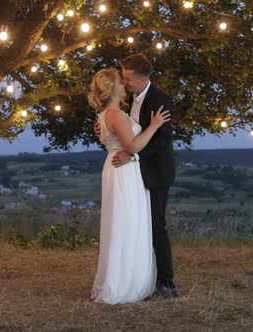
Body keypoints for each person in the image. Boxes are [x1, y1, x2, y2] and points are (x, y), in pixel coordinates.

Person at [95, 53, 178, 299]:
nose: (125, 81)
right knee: (135, 225)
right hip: (130, 175)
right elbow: (123, 133)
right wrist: (105, 129)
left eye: (128, 79)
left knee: (156, 225)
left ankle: (166, 283)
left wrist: (133, 156)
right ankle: (136, 278)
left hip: (155, 171)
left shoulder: (161, 100)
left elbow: (163, 141)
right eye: (123, 79)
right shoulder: (124, 102)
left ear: (143, 79)